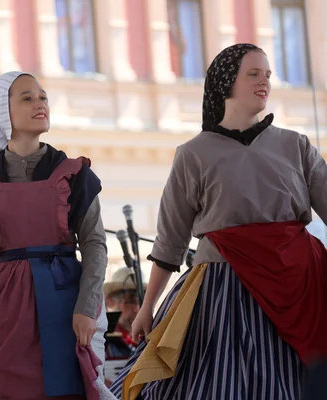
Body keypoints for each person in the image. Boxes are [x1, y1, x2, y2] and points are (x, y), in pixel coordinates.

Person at [110, 43, 327, 399]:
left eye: (268, 75)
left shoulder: (296, 145)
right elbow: (170, 243)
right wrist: (147, 308)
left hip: (299, 286)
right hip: (225, 291)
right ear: (227, 82)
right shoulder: (193, 154)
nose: (264, 82)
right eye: (253, 74)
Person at [0, 71, 116, 399]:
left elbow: (94, 244)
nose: (40, 103)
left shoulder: (74, 173)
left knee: (69, 387)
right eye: (26, 97)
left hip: (65, 301)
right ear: (1, 110)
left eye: (43, 97)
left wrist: (86, 306)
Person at [103, 267, 144, 360]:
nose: (137, 309)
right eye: (131, 301)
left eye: (142, 302)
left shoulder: (150, 337)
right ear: (111, 302)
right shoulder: (104, 339)